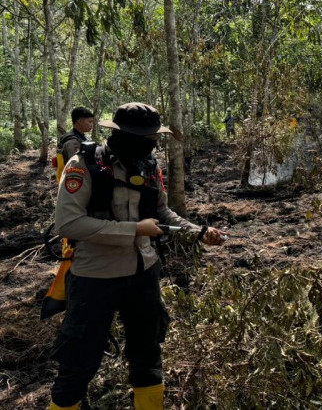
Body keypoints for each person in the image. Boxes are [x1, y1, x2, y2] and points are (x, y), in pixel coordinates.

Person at [48, 102, 225, 410]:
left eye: (153, 136)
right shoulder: (84, 165)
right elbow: (68, 223)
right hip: (94, 278)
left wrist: (197, 231)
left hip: (143, 273)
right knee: (78, 362)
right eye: (143, 137)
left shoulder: (149, 165)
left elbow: (161, 212)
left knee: (147, 355)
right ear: (120, 134)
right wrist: (133, 229)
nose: (150, 142)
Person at [55, 108, 95, 183]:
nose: (91, 125)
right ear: (79, 121)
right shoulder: (73, 142)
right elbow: (76, 166)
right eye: (90, 122)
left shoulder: (81, 137)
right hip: (73, 181)